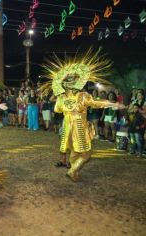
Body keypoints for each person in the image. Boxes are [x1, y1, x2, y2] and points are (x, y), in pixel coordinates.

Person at [45, 49, 125, 182]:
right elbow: (97, 103)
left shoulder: (61, 98)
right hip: (79, 128)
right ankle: (72, 170)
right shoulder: (83, 96)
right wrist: (115, 104)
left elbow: (57, 110)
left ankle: (74, 172)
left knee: (73, 151)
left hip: (66, 127)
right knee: (86, 153)